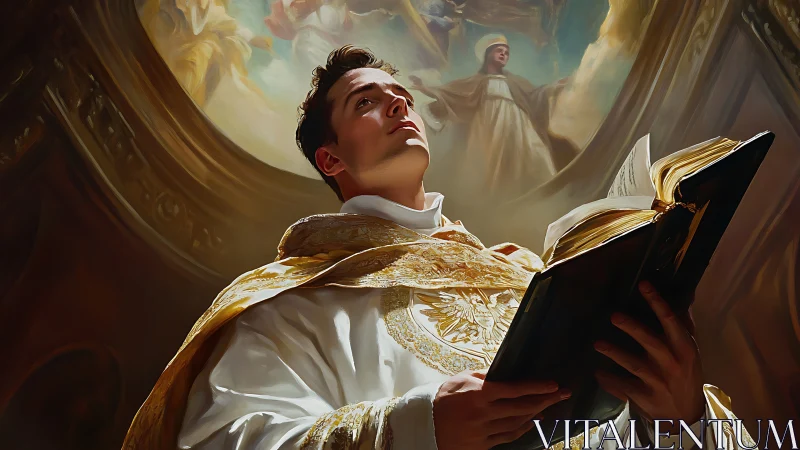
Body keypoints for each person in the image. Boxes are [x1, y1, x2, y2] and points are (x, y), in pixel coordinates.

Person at [123, 45, 753, 450]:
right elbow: (222, 441)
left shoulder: (526, 280)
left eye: (399, 94)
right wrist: (415, 429)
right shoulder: (289, 310)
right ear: (331, 157)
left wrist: (683, 417)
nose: (399, 102)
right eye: (366, 102)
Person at [410, 34, 580, 195]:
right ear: (487, 54)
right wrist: (425, 89)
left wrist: (555, 86)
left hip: (518, 123)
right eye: (499, 51)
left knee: (532, 151)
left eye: (506, 53)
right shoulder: (476, 81)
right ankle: (494, 195)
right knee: (490, 159)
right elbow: (452, 94)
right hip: (488, 123)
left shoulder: (515, 81)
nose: (504, 55)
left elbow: (535, 94)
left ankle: (540, 186)